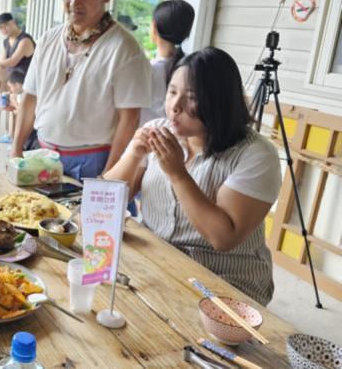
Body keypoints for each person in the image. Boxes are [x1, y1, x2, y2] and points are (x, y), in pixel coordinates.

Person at [104, 47, 282, 305]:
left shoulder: (255, 154)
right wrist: (132, 155)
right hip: (156, 264)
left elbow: (223, 237)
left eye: (191, 97)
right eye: (172, 92)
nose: (174, 107)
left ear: (220, 101)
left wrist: (178, 174)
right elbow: (106, 200)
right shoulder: (156, 131)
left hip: (224, 280)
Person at [11, 0, 152, 184]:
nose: (74, 3)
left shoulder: (124, 49)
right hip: (41, 155)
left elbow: (129, 120)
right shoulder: (48, 39)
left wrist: (108, 176)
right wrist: (16, 151)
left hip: (93, 162)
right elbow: (30, 98)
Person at [141, 0, 195, 125]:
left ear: (154, 27)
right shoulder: (190, 67)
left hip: (147, 136)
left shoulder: (149, 70)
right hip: (175, 134)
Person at [0, 68, 27, 144]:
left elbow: (23, 111)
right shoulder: (19, 93)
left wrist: (14, 101)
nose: (10, 90)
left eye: (11, 87)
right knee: (13, 112)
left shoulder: (26, 94)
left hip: (30, 117)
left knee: (15, 112)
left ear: (17, 85)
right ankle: (11, 136)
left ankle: (14, 138)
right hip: (24, 113)